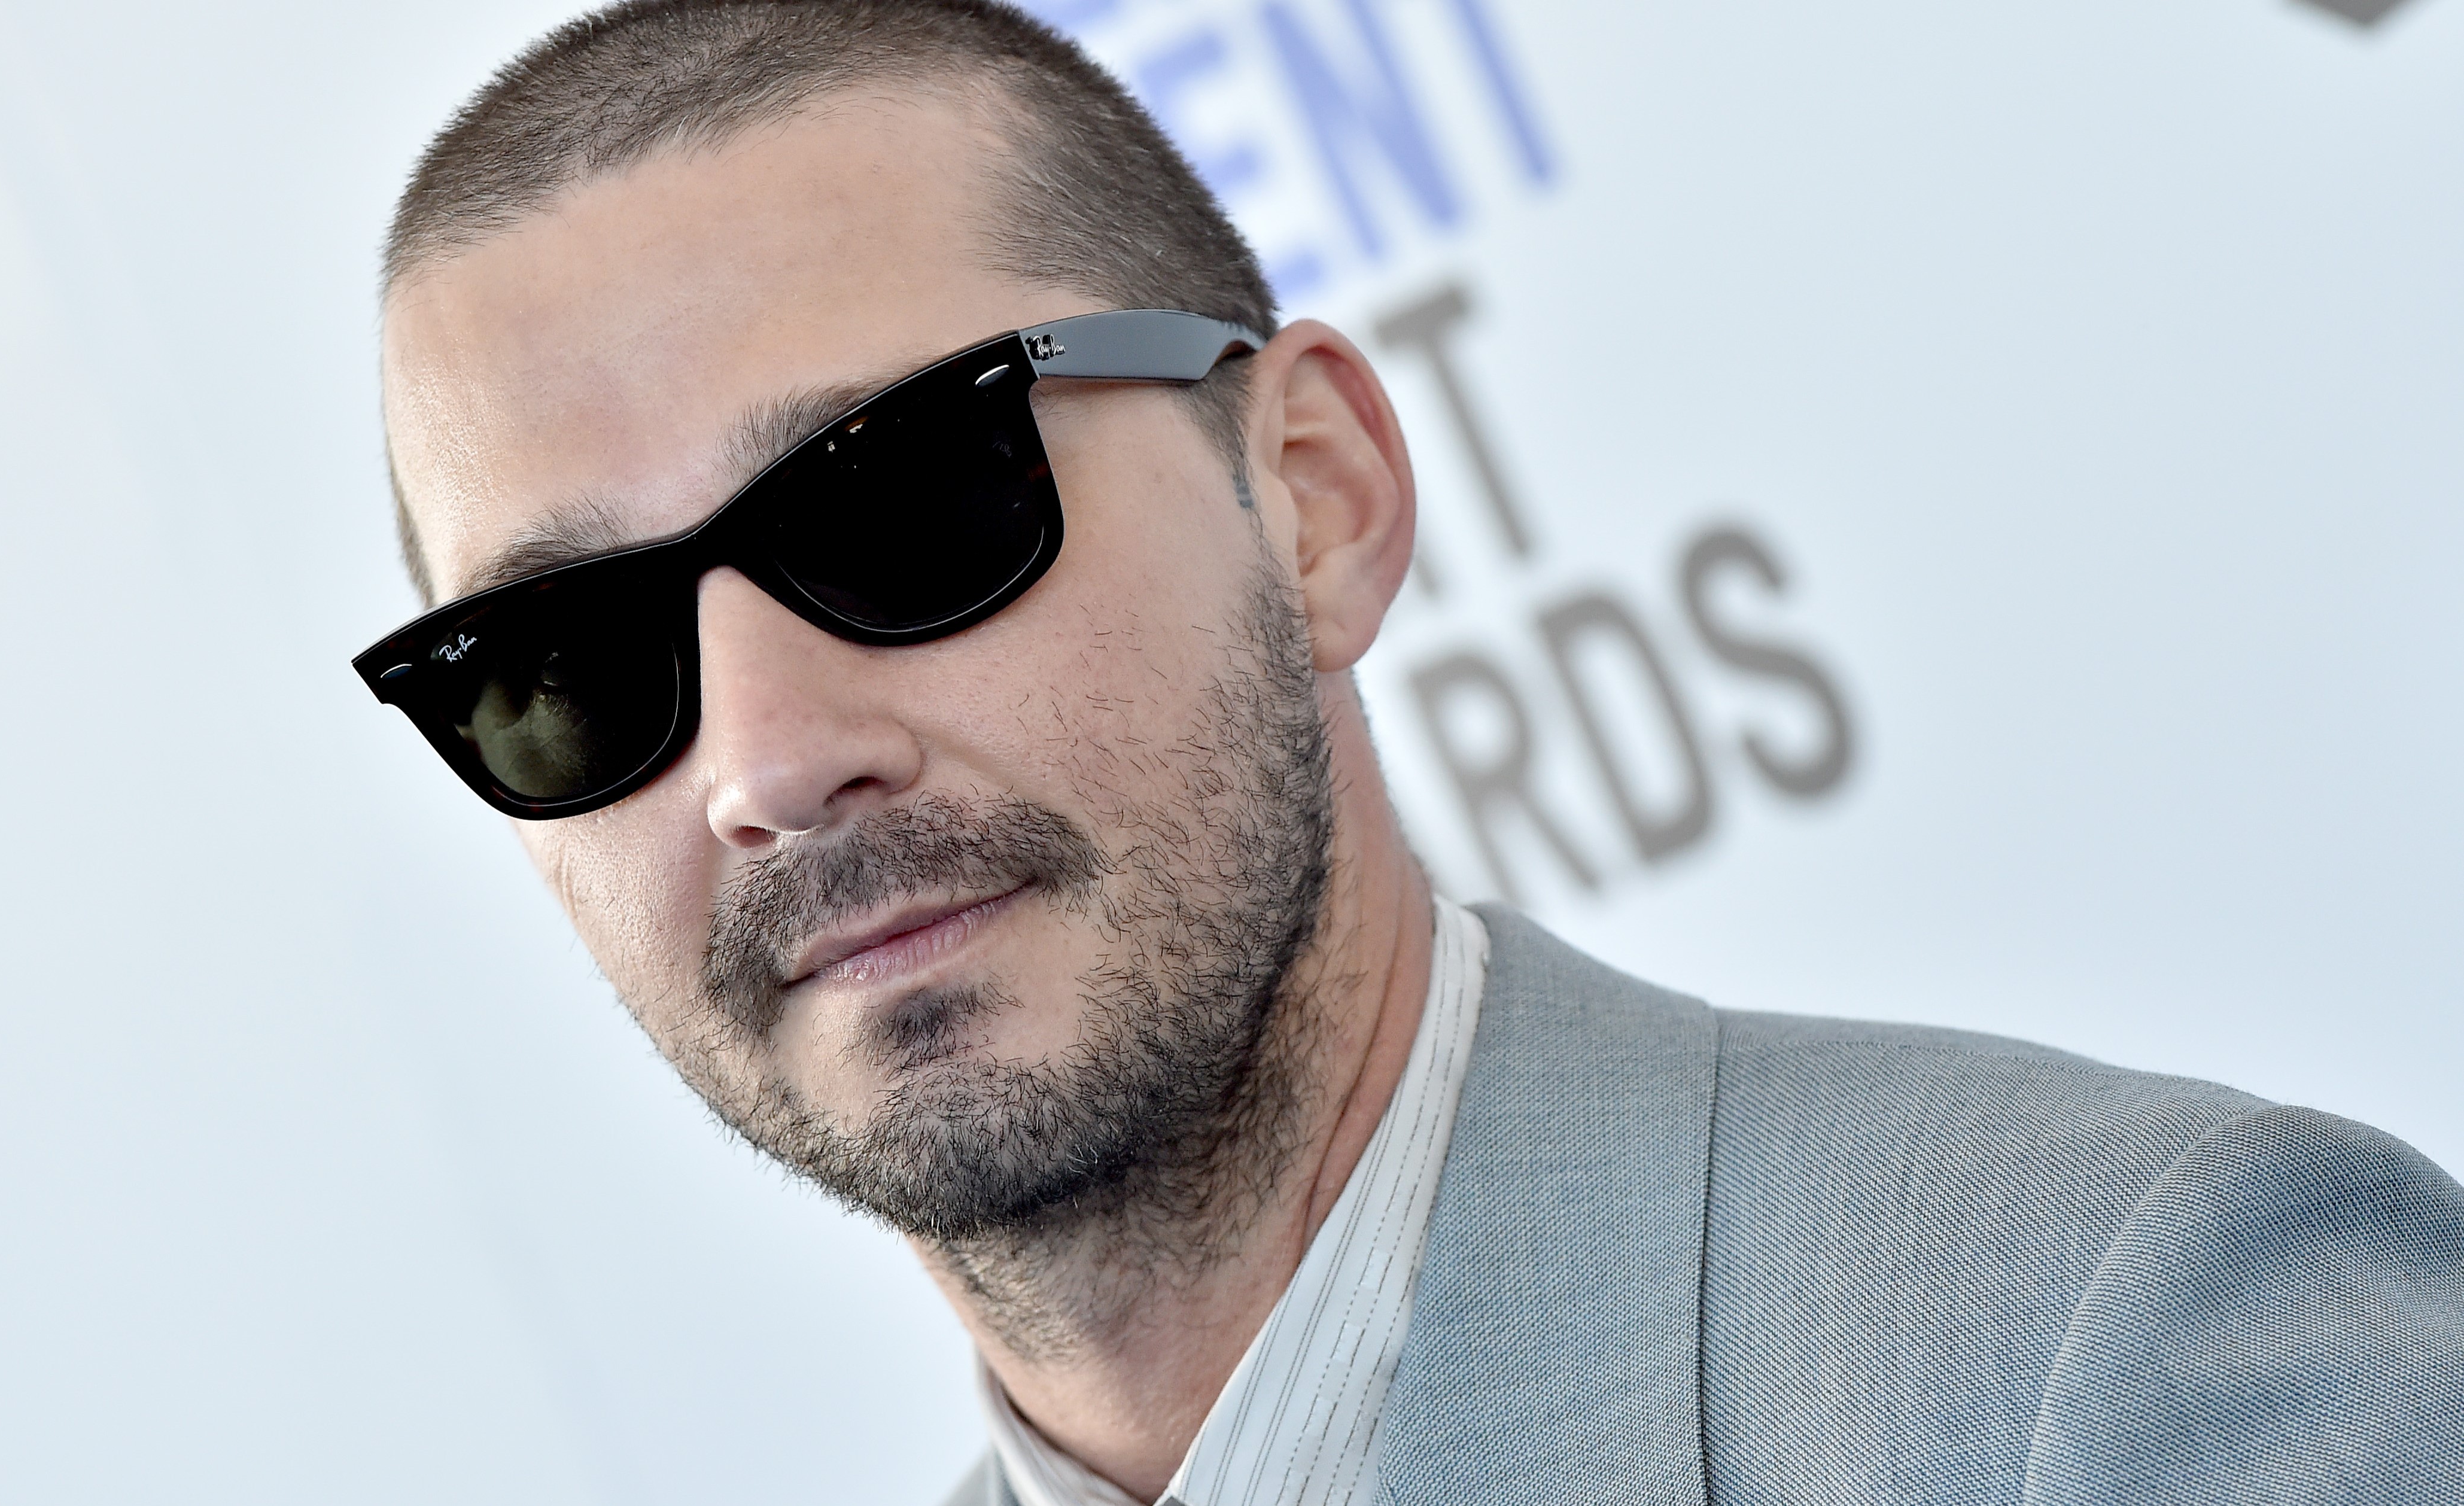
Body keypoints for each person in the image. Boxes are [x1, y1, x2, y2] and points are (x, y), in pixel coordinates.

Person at [352, 3, 2464, 1502]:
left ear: (1314, 498)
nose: (768, 760)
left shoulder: (2119, 1358)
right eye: (563, 654)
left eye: (900, 504)